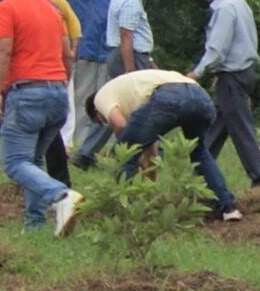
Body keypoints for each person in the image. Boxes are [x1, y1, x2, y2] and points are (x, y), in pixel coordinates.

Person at [0, 0, 83, 235]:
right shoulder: (50, 8)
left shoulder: (6, 7)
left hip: (27, 93)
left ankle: (62, 196)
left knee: (14, 163)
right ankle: (34, 226)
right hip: (57, 93)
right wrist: (60, 83)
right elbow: (67, 53)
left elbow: (3, 51)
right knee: (34, 161)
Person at [84, 68, 241, 222]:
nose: (106, 123)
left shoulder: (100, 98)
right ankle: (227, 207)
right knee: (199, 152)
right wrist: (149, 189)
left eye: (103, 121)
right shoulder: (133, 95)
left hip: (168, 97)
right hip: (200, 96)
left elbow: (119, 124)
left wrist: (127, 152)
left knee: (120, 158)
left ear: (96, 111)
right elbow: (150, 150)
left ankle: (124, 214)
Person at [192, 0, 260, 191]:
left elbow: (217, 49)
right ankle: (197, 174)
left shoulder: (225, 8)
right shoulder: (239, 3)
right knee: (216, 126)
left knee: (240, 127)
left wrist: (197, 72)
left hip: (232, 76)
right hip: (240, 73)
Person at [73, 0, 154, 170]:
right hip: (129, 57)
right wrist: (130, 71)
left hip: (129, 55)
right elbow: (126, 36)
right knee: (140, 105)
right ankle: (142, 154)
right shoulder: (128, 1)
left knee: (114, 104)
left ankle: (87, 152)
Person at [21, 0, 81, 186]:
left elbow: (73, 26)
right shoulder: (21, 4)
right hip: (38, 67)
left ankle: (63, 149)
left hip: (54, 63)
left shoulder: (53, 2)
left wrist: (72, 52)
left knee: (62, 107)